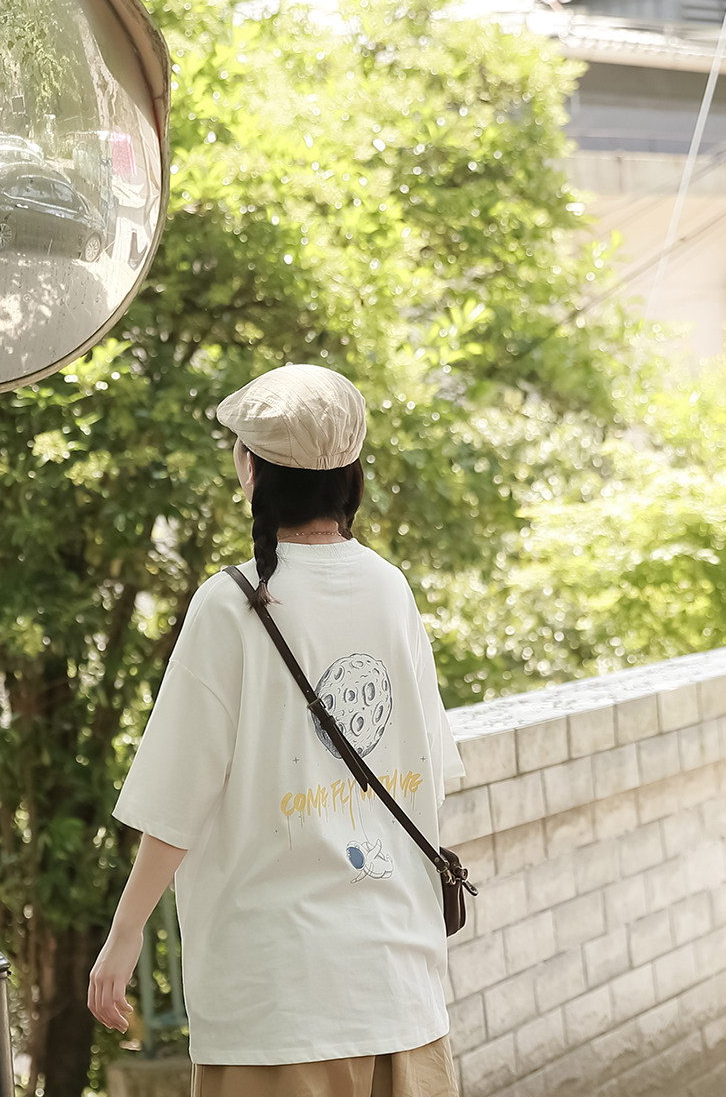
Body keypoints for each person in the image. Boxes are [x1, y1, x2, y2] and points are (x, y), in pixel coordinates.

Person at [88, 364, 463, 1097]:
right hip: (399, 988)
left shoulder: (229, 605)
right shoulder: (389, 589)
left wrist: (124, 936)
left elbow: (177, 802)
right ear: (351, 477)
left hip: (278, 1005)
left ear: (250, 471)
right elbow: (430, 774)